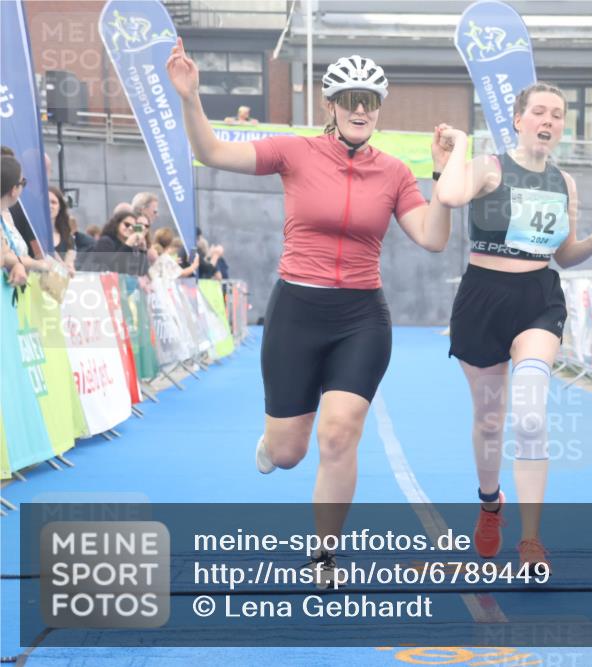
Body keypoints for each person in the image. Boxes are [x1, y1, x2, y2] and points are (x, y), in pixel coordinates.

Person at [167, 39, 457, 585]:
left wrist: (440, 178)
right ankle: (273, 440)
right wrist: (191, 98)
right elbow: (213, 152)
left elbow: (433, 238)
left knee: (339, 434)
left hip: (361, 318)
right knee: (289, 452)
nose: (360, 108)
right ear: (330, 104)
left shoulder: (395, 172)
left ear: (379, 108)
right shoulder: (294, 152)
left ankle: (324, 555)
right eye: (350, 98)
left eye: (370, 100)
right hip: (297, 311)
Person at [434, 82, 592, 573]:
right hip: (482, 298)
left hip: (537, 301)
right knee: (489, 420)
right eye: (539, 111)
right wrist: (459, 148)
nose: (548, 120)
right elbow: (449, 192)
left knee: (528, 415)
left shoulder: (565, 182)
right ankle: (489, 504)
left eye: (558, 115)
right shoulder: (489, 167)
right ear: (519, 118)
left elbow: (564, 255)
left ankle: (530, 540)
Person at [1, 155, 51, 277]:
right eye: (23, 182)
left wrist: (19, 264)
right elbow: (3, 257)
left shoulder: (5, 216)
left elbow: (6, 253)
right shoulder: (15, 211)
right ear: (13, 190)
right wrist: (38, 264)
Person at [85, 210, 151, 276]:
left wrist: (143, 250)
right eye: (127, 225)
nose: (130, 228)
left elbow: (142, 273)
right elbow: (114, 268)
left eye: (133, 227)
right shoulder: (105, 241)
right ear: (117, 224)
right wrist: (128, 244)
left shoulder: (130, 246)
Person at [49, 186, 77, 274]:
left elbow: (69, 262)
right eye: (46, 201)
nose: (49, 205)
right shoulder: (32, 231)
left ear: (60, 207)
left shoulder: (67, 236)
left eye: (53, 202)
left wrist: (69, 266)